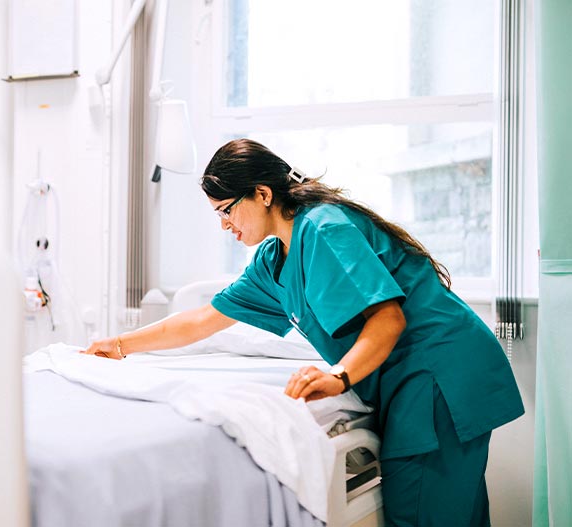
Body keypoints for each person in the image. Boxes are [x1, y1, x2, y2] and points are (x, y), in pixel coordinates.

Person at [83, 138, 524, 526]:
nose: (224, 225)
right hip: (416, 378)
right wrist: (119, 345)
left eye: (226, 211)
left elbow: (389, 320)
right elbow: (203, 319)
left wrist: (338, 378)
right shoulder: (272, 259)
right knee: (449, 511)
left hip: (439, 372)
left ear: (262, 193)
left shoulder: (323, 228)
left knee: (423, 510)